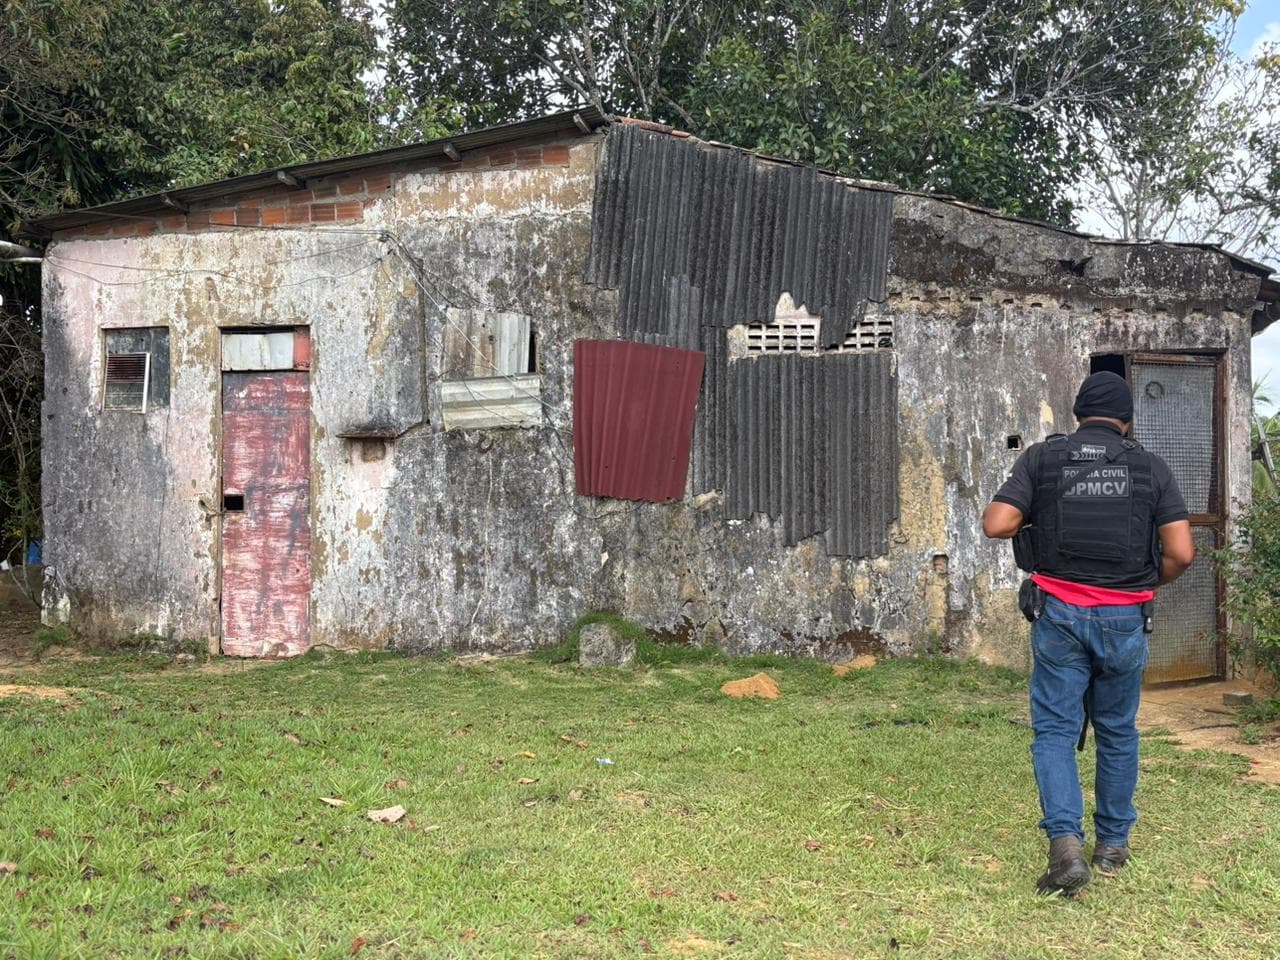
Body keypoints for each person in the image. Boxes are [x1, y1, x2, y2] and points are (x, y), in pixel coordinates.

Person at [982, 371, 1195, 896]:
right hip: (1126, 618)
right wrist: (1144, 586)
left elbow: (997, 523)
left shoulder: (1042, 459)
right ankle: (1113, 847)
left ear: (1078, 414)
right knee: (1117, 730)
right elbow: (1182, 553)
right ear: (1127, 421)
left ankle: (1065, 846)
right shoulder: (1150, 467)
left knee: (1055, 731)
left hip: (1059, 616)